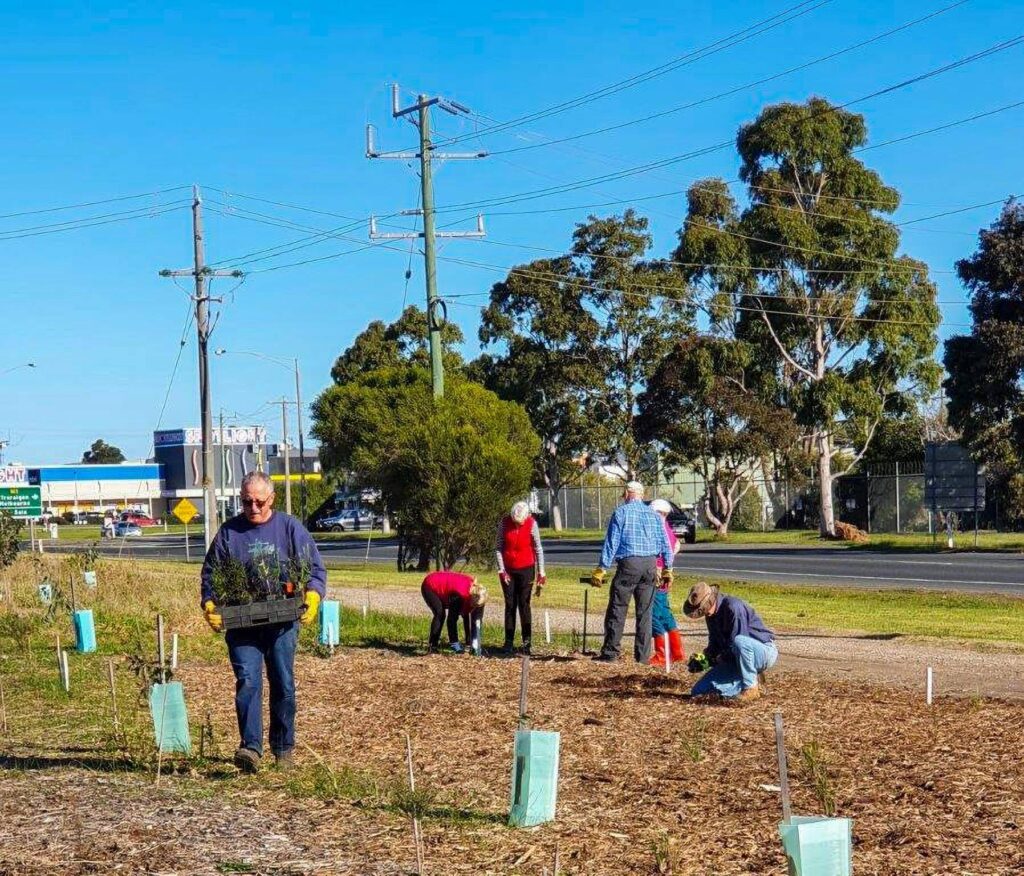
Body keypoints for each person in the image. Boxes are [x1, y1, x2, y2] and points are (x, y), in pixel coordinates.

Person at [200, 471, 326, 774]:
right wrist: (210, 604)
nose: (253, 508)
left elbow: (315, 570)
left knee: (283, 682)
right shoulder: (229, 534)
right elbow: (210, 576)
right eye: (246, 502)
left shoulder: (290, 529)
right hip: (242, 625)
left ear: (271, 499)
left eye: (259, 501)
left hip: (282, 623)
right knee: (248, 681)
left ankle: (283, 749)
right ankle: (251, 748)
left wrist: (313, 596)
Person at [589, 481, 673, 663]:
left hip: (629, 564)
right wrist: (668, 568)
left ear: (627, 494)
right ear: (642, 495)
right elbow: (666, 544)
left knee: (618, 608)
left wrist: (602, 568)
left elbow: (611, 543)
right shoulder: (654, 515)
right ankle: (642, 657)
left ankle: (611, 653)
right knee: (645, 613)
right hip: (650, 565)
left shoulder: (621, 513)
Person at [683, 581, 777, 702]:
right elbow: (715, 645)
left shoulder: (733, 607)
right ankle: (748, 681)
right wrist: (705, 659)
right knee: (699, 690)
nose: (702, 613)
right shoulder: (711, 615)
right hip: (735, 658)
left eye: (701, 609)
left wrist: (718, 659)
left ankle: (750, 687)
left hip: (763, 651)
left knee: (739, 642)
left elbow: (737, 646)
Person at [495, 500, 546, 655]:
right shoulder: (504, 523)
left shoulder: (532, 524)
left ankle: (526, 643)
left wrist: (541, 572)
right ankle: (508, 642)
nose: (517, 524)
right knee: (510, 605)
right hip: (508, 570)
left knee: (524, 605)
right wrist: (501, 570)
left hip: (526, 570)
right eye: (515, 521)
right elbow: (498, 548)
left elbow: (538, 548)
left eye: (520, 522)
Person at [648, 499, 685, 667]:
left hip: (657, 575)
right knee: (664, 612)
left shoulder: (657, 529)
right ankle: (677, 652)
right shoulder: (667, 528)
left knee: (655, 614)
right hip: (665, 575)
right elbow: (676, 545)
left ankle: (662, 655)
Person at [421, 570, 487, 653]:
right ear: (471, 598)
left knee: (466, 615)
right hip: (430, 584)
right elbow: (451, 621)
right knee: (440, 614)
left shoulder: (479, 594)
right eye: (474, 605)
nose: (475, 607)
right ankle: (432, 646)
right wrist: (455, 645)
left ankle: (468, 643)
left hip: (448, 586)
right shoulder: (458, 596)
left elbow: (469, 618)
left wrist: (471, 644)